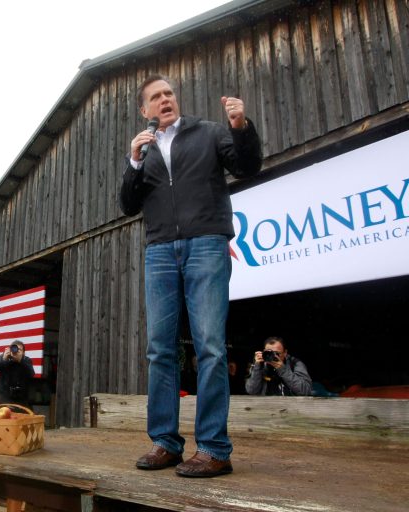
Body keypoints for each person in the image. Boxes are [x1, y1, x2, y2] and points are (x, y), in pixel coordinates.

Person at [119, 74, 262, 478]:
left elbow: (247, 166)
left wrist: (240, 127)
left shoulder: (209, 132)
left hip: (206, 243)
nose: (165, 99)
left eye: (169, 93)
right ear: (144, 110)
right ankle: (165, 443)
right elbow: (128, 205)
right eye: (156, 97)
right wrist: (133, 161)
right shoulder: (145, 150)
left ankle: (214, 449)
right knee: (160, 350)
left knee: (210, 346)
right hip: (160, 250)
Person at [246, 337, 312, 396]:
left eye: (276, 353)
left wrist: (283, 370)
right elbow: (251, 391)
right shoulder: (260, 364)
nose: (272, 356)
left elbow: (305, 391)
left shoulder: (295, 364)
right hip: (265, 404)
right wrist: (257, 367)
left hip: (291, 404)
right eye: (269, 353)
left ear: (285, 353)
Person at [0, 340, 35, 407]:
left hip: (21, 400)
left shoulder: (26, 360)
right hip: (4, 399)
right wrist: (3, 359)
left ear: (23, 353)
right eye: (14, 348)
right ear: (10, 349)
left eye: (19, 350)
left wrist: (21, 360)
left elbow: (31, 374)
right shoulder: (4, 358)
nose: (16, 351)